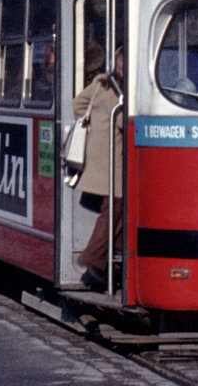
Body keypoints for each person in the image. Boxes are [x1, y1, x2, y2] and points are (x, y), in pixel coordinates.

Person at [72, 47, 124, 289]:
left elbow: (77, 106)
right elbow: (127, 122)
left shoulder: (100, 84)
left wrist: (96, 121)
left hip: (97, 157)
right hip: (112, 160)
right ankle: (93, 263)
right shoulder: (122, 92)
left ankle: (117, 255)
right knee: (115, 206)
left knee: (116, 207)